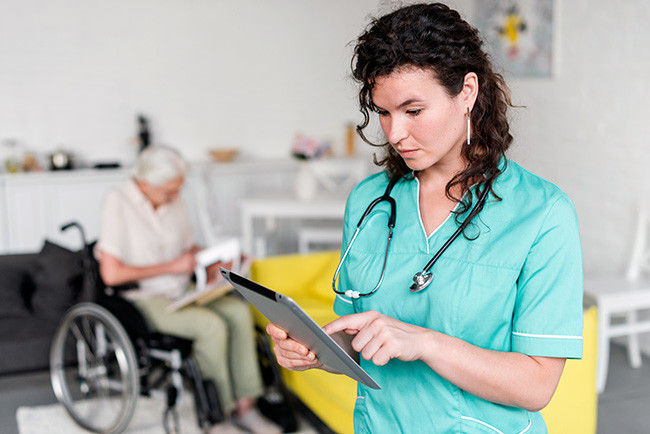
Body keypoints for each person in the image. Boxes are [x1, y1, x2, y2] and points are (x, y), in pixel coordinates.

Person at [266, 3, 583, 433]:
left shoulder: (543, 215)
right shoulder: (368, 201)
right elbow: (359, 341)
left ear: (467, 92)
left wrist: (428, 343)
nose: (394, 134)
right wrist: (314, 350)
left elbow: (537, 387)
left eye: (413, 111)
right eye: (383, 112)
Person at [97, 145, 281, 434]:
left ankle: (246, 408)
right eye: (170, 191)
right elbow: (111, 273)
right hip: (144, 297)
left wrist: (223, 258)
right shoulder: (117, 201)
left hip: (182, 288)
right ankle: (217, 416)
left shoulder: (172, 198)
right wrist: (172, 266)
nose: (176, 197)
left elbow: (188, 250)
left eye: (178, 190)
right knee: (210, 326)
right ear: (146, 184)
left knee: (238, 311)